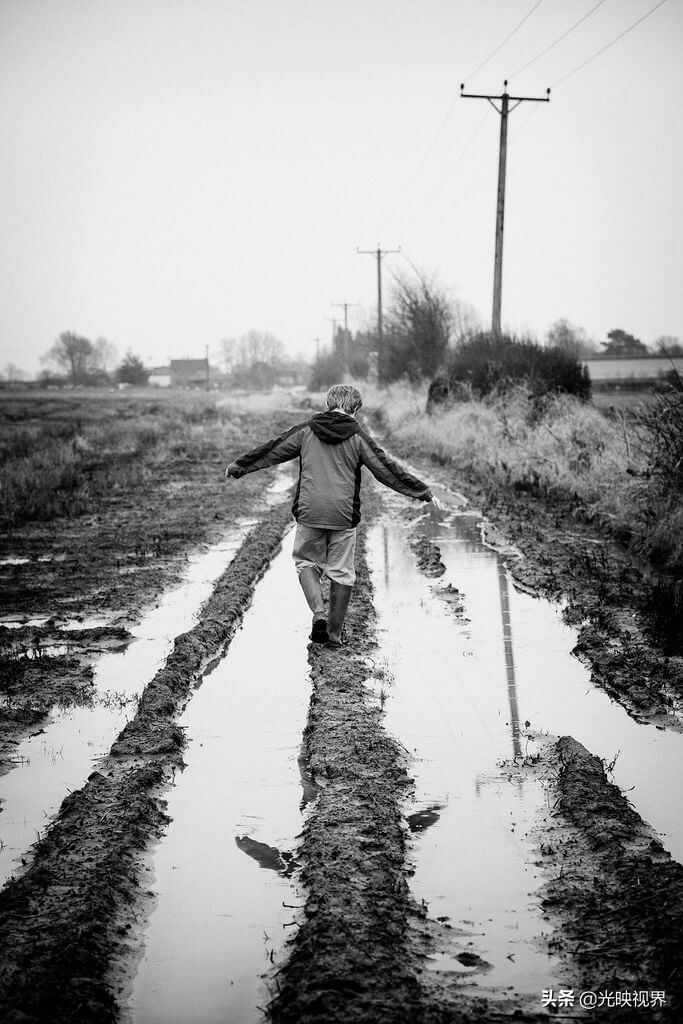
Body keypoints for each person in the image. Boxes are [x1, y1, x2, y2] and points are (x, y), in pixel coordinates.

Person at [225, 384, 441, 648]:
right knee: (341, 572)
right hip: (343, 514)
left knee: (306, 563)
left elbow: (272, 450)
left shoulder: (306, 431)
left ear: (328, 404)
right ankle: (335, 635)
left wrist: (240, 467)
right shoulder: (358, 437)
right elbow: (387, 470)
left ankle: (318, 614)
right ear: (355, 409)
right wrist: (422, 491)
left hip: (309, 511)